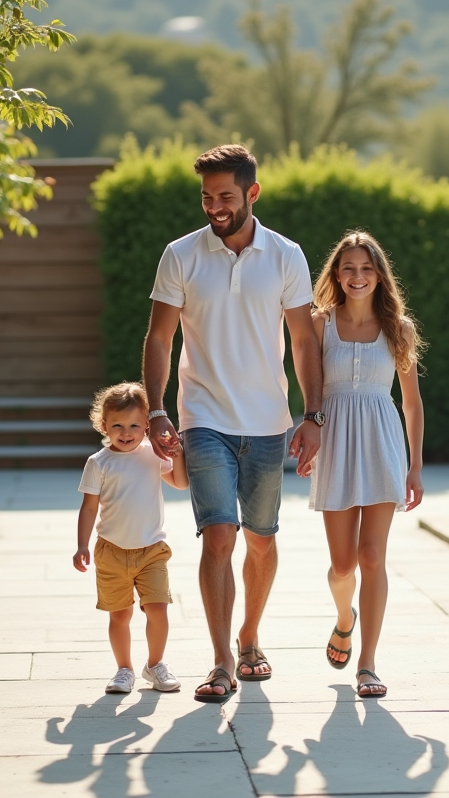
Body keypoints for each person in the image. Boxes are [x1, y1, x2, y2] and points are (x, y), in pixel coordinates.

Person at [142, 144, 324, 703]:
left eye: (225, 196)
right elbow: (159, 338)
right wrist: (155, 407)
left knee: (261, 540)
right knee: (218, 534)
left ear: (252, 193)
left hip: (268, 421)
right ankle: (221, 660)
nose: (214, 207)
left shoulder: (287, 255)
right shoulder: (180, 254)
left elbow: (302, 339)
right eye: (206, 197)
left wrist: (312, 415)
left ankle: (250, 638)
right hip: (204, 418)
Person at [304, 230, 425, 699]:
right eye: (349, 268)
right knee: (342, 564)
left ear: (380, 275)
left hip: (381, 442)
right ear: (337, 273)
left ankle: (369, 665)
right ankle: (343, 618)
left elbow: (411, 404)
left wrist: (415, 466)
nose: (357, 277)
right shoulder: (318, 324)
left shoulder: (400, 328)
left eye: (367, 269)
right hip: (335, 440)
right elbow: (306, 385)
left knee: (372, 556)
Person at [74, 381, 189, 695]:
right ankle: (123, 669)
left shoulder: (152, 455)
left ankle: (155, 664)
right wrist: (82, 545)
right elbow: (89, 508)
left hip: (152, 549)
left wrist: (175, 452)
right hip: (111, 551)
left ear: (147, 427)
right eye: (118, 426)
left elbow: (180, 482)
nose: (126, 432)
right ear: (104, 425)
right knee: (120, 614)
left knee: (158, 608)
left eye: (135, 425)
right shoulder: (98, 463)